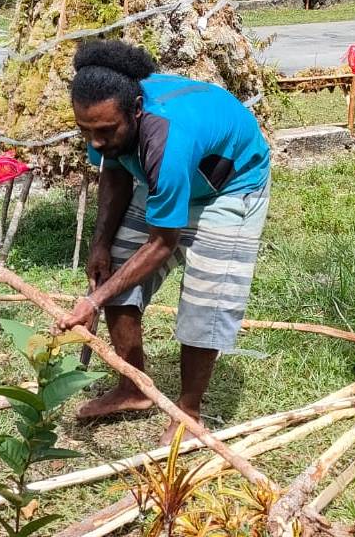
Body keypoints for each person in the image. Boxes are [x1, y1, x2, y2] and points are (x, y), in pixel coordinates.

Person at [57, 39, 270, 445]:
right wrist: (100, 244)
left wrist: (93, 301)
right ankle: (134, 388)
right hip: (170, 175)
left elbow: (161, 244)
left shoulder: (167, 140)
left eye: (104, 131)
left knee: (205, 302)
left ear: (136, 110)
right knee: (116, 272)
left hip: (230, 186)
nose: (95, 142)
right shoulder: (104, 117)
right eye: (86, 131)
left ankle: (188, 412)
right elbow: (114, 169)